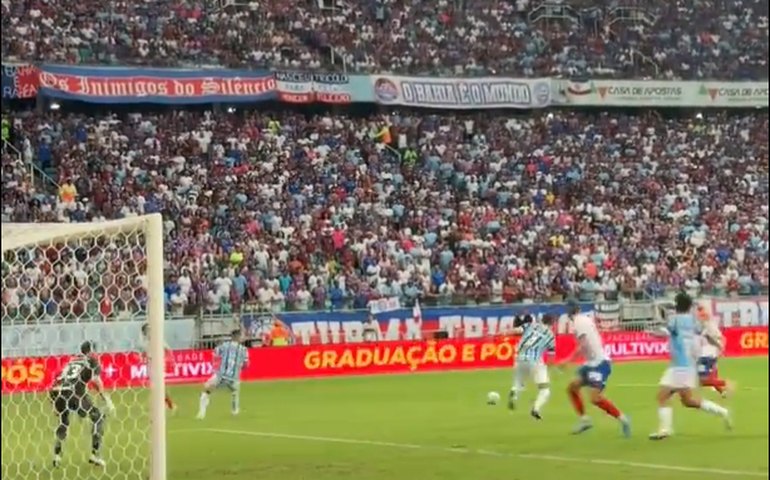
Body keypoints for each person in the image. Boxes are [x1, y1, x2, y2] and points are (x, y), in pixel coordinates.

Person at [648, 293, 732, 440]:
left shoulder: (674, 320)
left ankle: (665, 430)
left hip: (679, 365)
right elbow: (707, 336)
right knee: (688, 401)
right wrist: (718, 344)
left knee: (663, 396)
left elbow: (664, 332)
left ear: (676, 304)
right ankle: (723, 412)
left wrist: (651, 332)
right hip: (689, 365)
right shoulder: (694, 321)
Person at [559, 301, 631, 437]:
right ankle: (585, 420)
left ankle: (623, 419)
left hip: (599, 363)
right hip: (591, 363)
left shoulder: (579, 322)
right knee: (572, 387)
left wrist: (568, 360)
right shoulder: (583, 320)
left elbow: (583, 345)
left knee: (595, 398)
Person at [49, 341, 115, 468]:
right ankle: (95, 455)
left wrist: (53, 404)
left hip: (56, 391)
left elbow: (58, 378)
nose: (97, 353)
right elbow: (96, 381)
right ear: (91, 351)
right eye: (95, 350)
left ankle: (56, 456)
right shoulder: (92, 361)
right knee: (98, 417)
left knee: (63, 422)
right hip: (73, 393)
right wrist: (106, 399)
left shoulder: (72, 361)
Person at [508, 314, 556, 420]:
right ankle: (536, 409)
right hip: (535, 362)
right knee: (545, 390)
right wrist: (549, 370)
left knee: (519, 382)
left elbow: (515, 331)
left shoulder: (530, 325)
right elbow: (551, 357)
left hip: (519, 357)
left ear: (541, 320)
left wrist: (500, 333)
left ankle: (515, 392)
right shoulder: (551, 335)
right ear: (552, 323)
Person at [197, 330, 249, 420]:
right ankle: (235, 413)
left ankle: (201, 413)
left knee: (206, 389)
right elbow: (246, 364)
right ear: (237, 337)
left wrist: (216, 366)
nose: (242, 338)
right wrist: (239, 368)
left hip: (221, 376)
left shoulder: (225, 346)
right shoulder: (243, 349)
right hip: (234, 378)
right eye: (241, 336)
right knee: (235, 393)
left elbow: (215, 353)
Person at [695, 304, 735, 397]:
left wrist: (720, 348)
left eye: (701, 314)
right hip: (707, 355)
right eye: (699, 313)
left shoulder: (709, 326)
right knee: (708, 378)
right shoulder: (706, 325)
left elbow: (719, 338)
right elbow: (722, 338)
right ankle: (722, 391)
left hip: (707, 355)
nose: (699, 316)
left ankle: (726, 383)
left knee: (703, 380)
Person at [141, 323, 177, 412]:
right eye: (146, 330)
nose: (148, 332)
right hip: (150, 365)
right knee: (155, 386)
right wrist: (143, 357)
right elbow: (144, 354)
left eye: (149, 330)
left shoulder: (158, 340)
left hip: (158, 365)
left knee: (159, 386)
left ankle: (170, 404)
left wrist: (170, 360)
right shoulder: (145, 342)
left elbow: (168, 349)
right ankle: (165, 404)